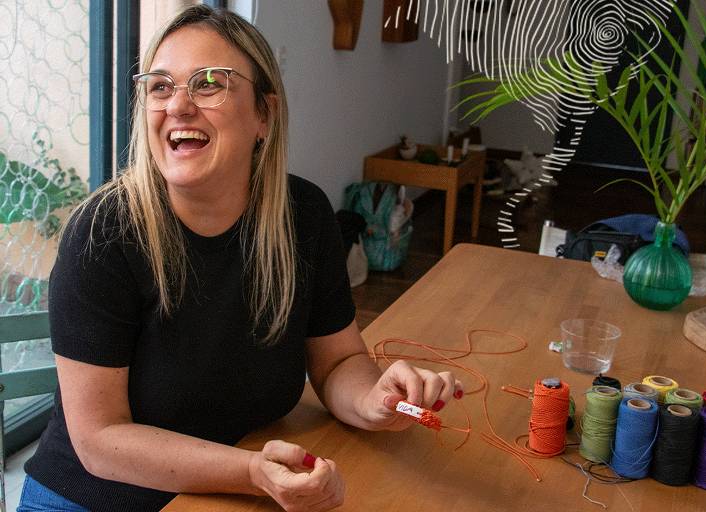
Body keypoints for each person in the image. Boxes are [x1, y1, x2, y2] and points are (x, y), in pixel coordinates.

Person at [20, 6, 461, 512]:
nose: (178, 105)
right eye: (160, 86)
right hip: (93, 498)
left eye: (209, 83)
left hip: (224, 487)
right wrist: (252, 473)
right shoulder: (103, 235)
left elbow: (338, 361)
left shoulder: (303, 215)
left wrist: (374, 400)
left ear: (264, 114)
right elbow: (100, 441)